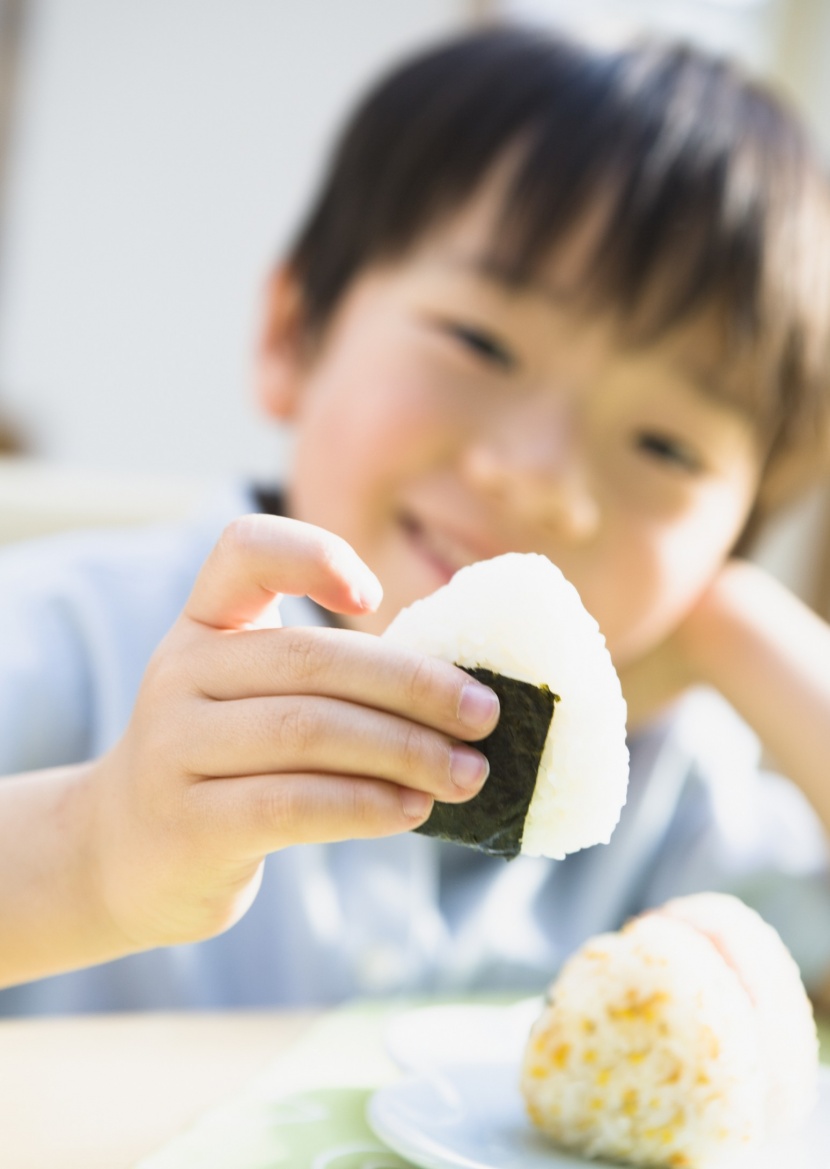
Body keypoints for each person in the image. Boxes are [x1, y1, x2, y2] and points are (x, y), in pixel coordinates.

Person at [1, 27, 829, 1015]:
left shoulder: (672, 798)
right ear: (291, 332)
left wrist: (745, 625)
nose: (540, 481)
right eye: (480, 343)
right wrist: (94, 850)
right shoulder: (66, 638)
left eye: (664, 446)